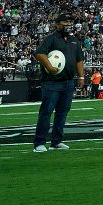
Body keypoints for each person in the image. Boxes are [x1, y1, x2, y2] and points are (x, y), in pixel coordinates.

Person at [32, 14, 84, 153]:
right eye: (65, 21)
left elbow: (79, 59)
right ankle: (39, 143)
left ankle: (56, 141)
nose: (68, 24)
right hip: (52, 82)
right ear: (57, 24)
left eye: (69, 21)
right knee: (46, 112)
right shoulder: (51, 39)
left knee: (62, 112)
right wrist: (49, 67)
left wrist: (81, 76)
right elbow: (39, 54)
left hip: (68, 82)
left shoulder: (74, 40)